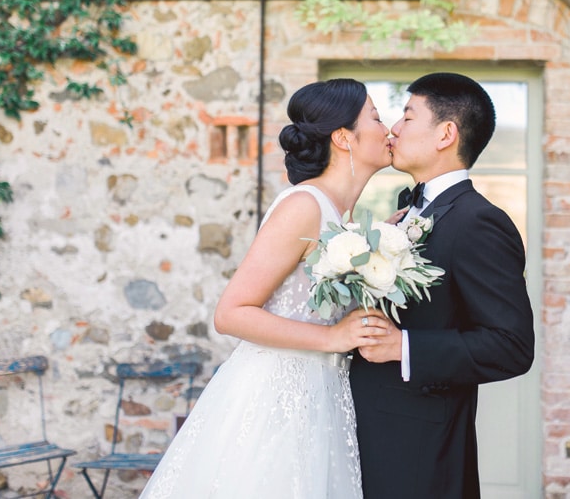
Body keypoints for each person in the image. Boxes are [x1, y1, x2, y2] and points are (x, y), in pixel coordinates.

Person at [140, 78, 393, 499]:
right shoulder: (303, 206)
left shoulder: (344, 217)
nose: (388, 130)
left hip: (323, 396)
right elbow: (232, 312)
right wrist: (333, 336)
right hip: (274, 400)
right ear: (344, 137)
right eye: (377, 117)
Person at [349, 72, 535, 499]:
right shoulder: (406, 208)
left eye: (408, 116)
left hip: (418, 449)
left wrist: (404, 347)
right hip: (365, 427)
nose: (394, 128)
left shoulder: (478, 222)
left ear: (446, 134)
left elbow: (511, 345)